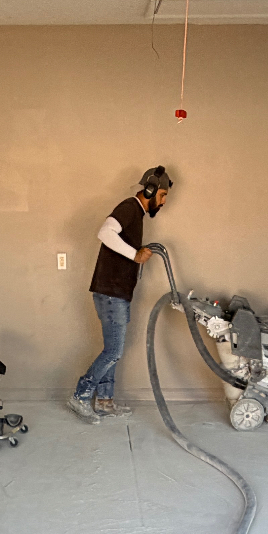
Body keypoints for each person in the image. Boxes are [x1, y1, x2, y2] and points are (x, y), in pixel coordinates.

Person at [70, 166, 171, 422]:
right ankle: (80, 396)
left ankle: (104, 401)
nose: (163, 202)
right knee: (114, 351)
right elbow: (105, 232)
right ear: (150, 190)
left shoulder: (137, 215)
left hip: (116, 293)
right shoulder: (130, 207)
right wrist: (135, 254)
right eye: (162, 195)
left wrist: (137, 251)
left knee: (111, 349)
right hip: (111, 293)